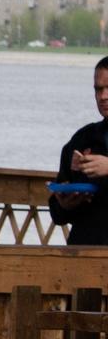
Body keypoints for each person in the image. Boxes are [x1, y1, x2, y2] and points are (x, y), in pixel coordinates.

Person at [54, 57, 108, 245]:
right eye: (98, 89)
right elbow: (57, 212)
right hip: (84, 255)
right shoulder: (83, 139)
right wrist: (64, 205)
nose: (103, 96)